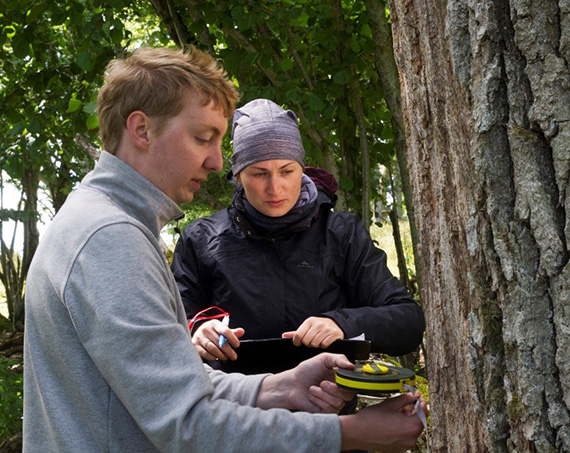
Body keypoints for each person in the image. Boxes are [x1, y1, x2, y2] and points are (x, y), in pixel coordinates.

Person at [22, 46, 425, 452]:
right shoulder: (110, 238)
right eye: (202, 138)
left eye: (287, 171)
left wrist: (280, 387)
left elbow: (171, 384)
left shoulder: (93, 218)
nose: (217, 162)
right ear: (141, 130)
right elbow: (189, 423)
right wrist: (348, 434)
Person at [171, 98, 426, 365]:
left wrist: (341, 323)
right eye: (259, 173)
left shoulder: (340, 233)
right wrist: (196, 331)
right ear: (237, 176)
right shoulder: (201, 239)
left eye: (286, 171)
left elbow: (408, 322)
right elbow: (169, 325)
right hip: (232, 401)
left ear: (302, 169)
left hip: (325, 400)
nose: (275, 187)